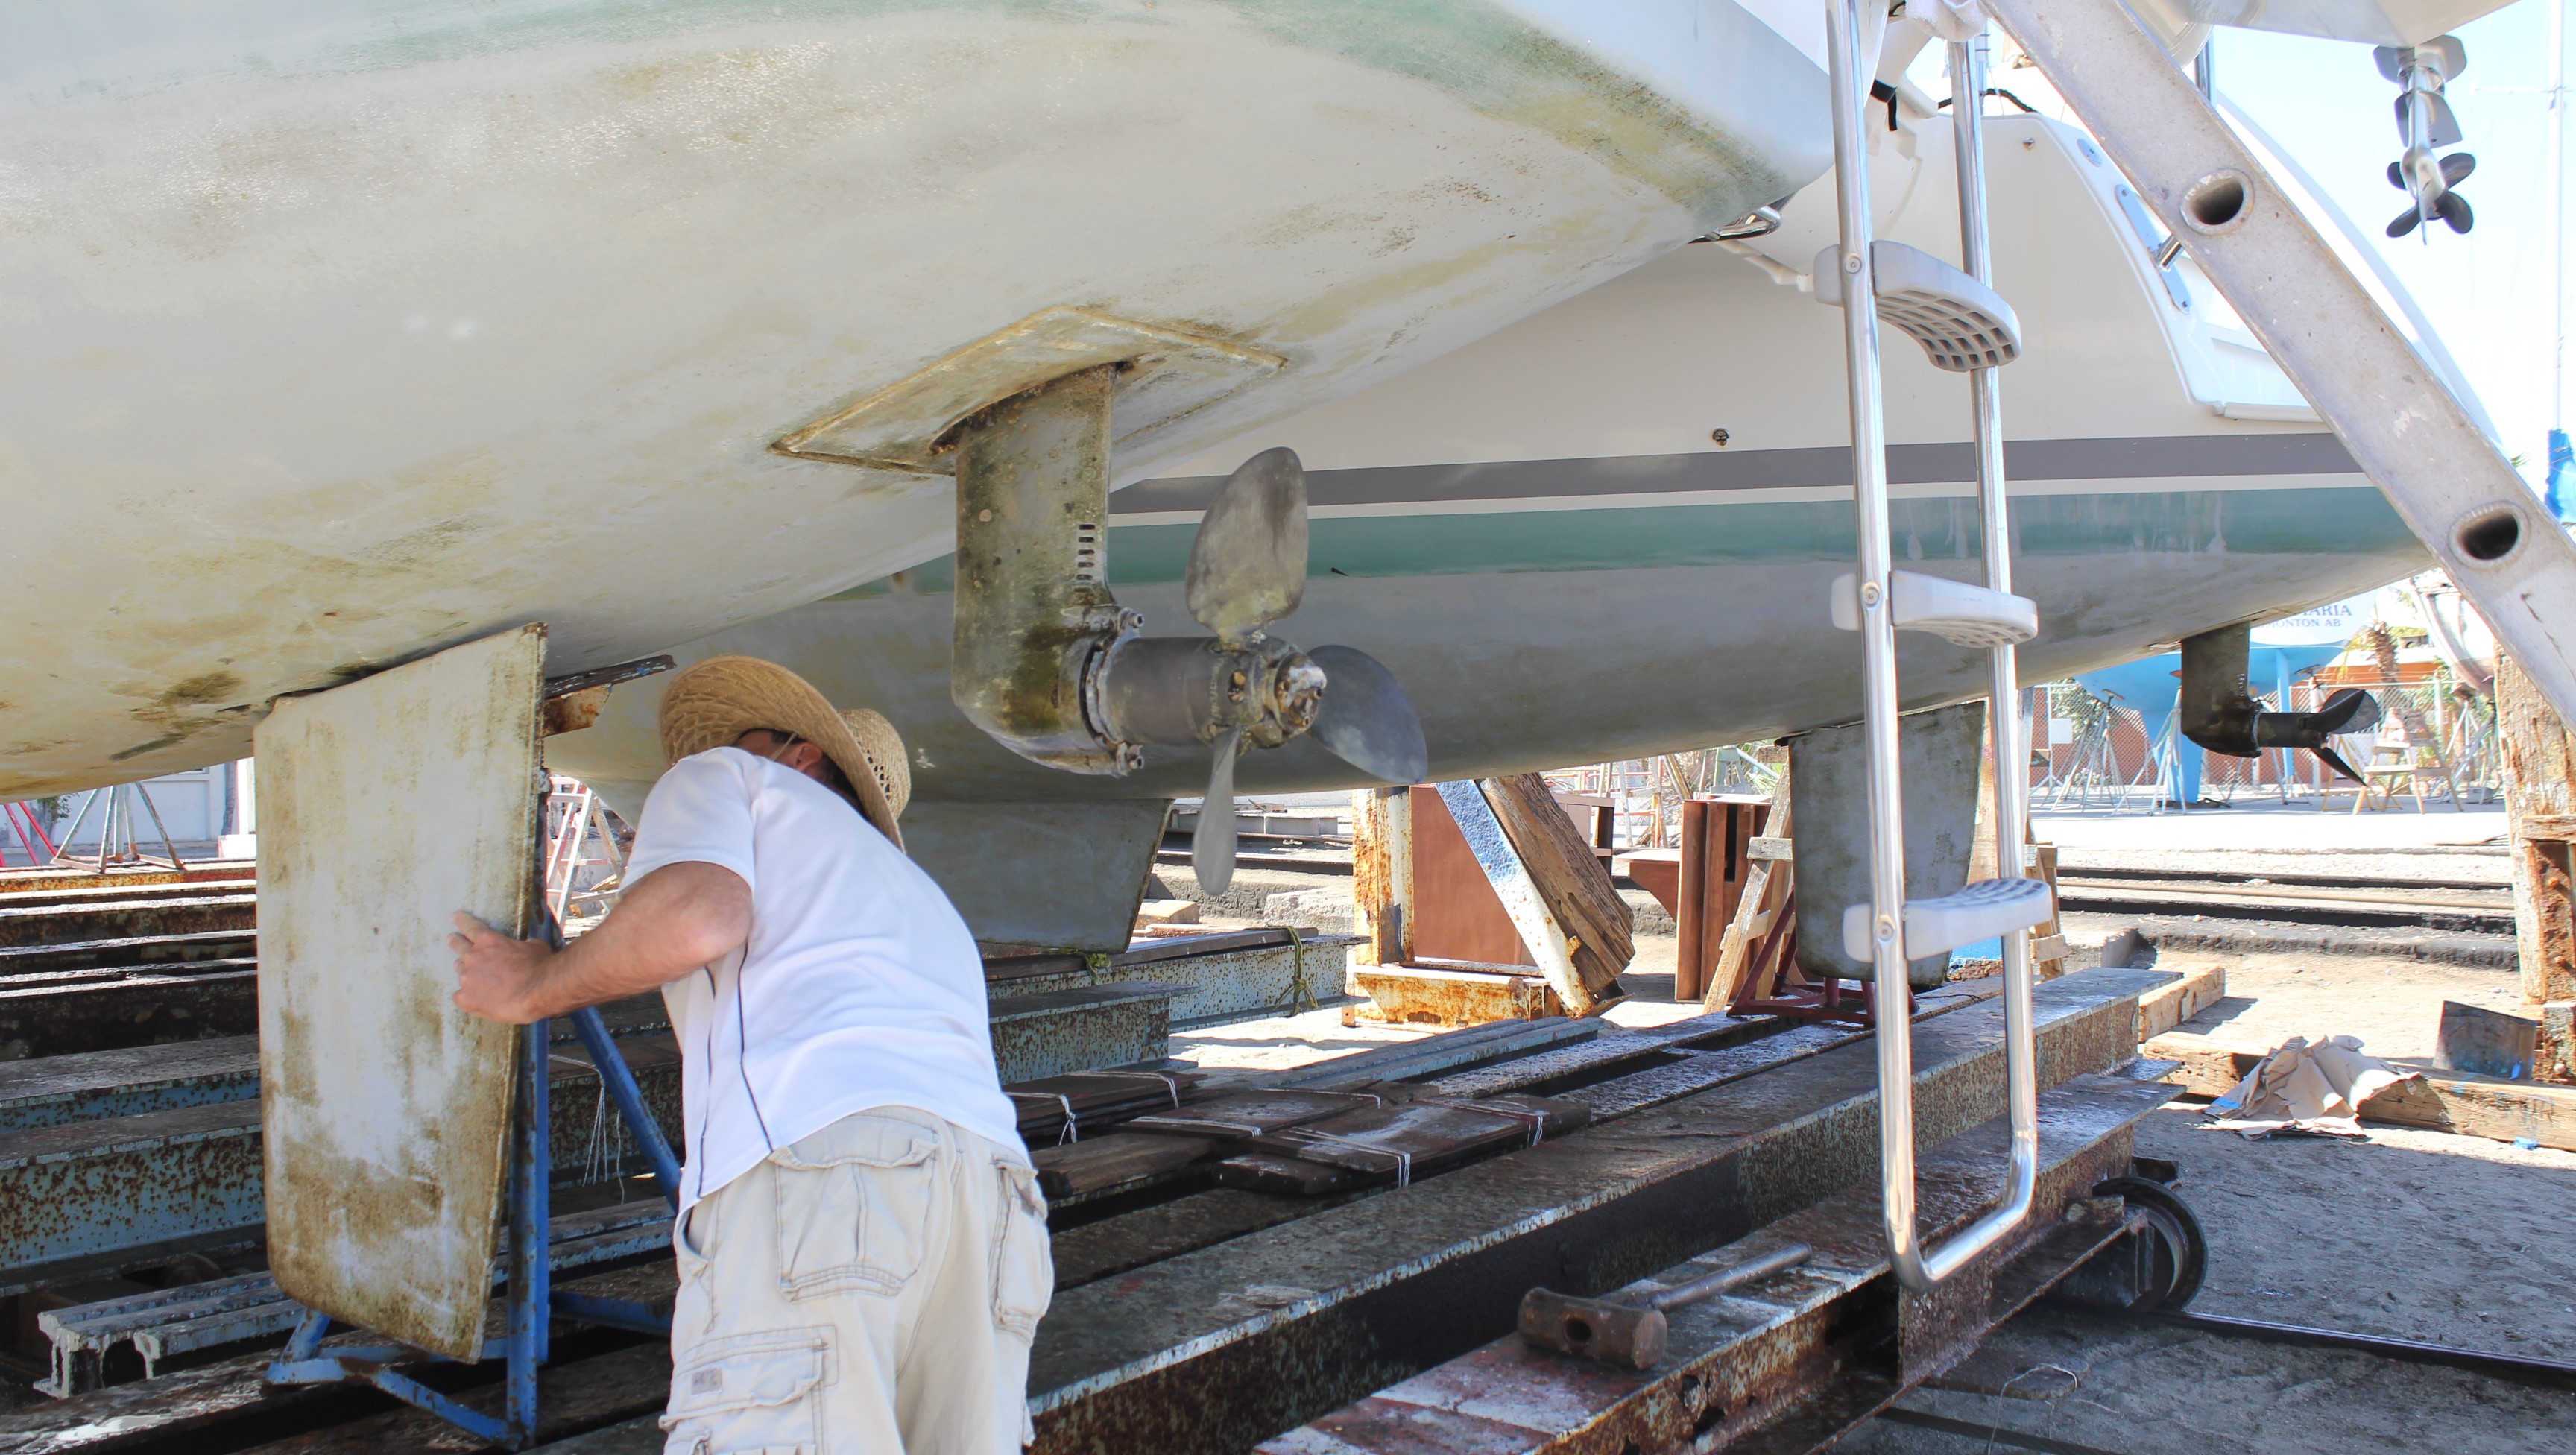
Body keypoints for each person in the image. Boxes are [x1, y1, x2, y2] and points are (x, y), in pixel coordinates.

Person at [449, 654, 1048, 1454]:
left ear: (799, 756)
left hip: (828, 1169)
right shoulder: (916, 894)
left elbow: (700, 916)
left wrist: (534, 984)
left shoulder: (728, 776)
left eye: (743, 737)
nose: (720, 750)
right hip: (995, 1198)